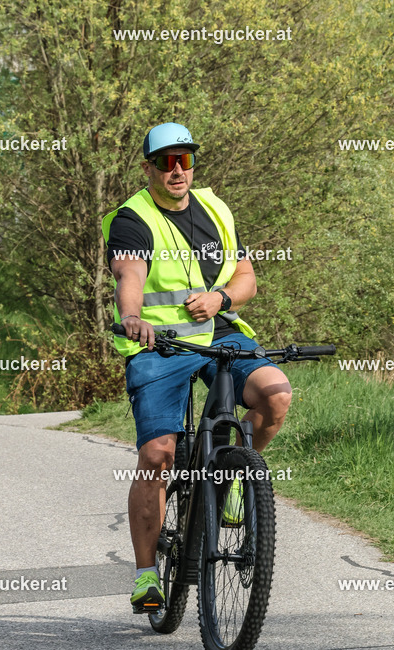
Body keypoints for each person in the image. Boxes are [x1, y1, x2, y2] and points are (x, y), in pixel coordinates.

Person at [102, 122, 292, 614]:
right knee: (158, 455)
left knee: (275, 394)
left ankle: (228, 476)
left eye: (184, 159)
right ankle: (147, 576)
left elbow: (246, 275)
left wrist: (221, 296)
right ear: (148, 168)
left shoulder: (215, 208)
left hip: (221, 329)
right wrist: (131, 318)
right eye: (165, 162)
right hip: (158, 341)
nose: (177, 170)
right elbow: (130, 273)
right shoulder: (132, 219)